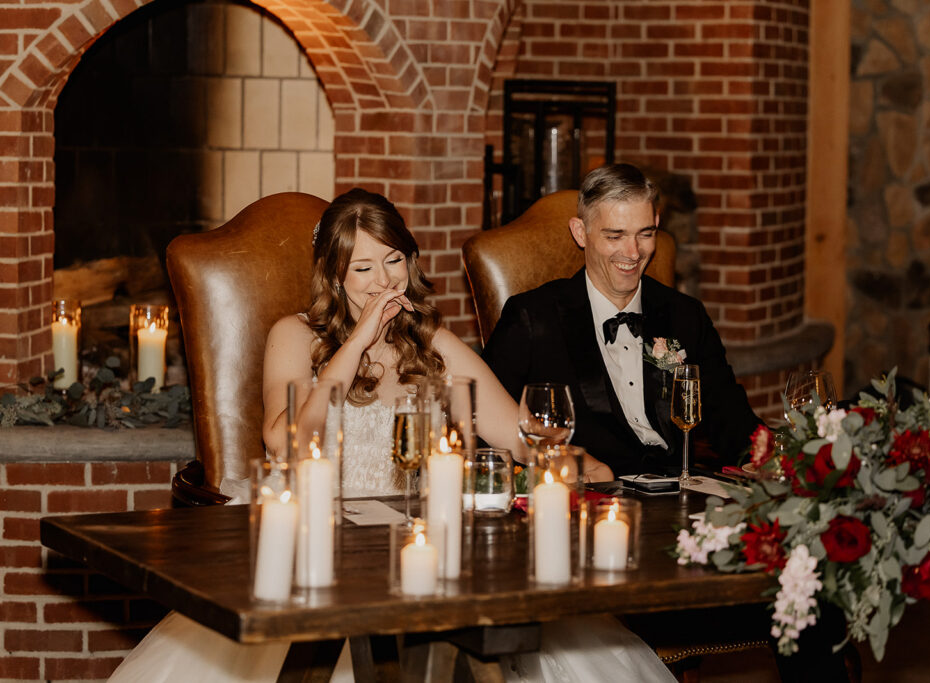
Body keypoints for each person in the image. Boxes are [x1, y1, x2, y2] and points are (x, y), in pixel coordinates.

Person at [109, 188, 673, 683]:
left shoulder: (436, 346)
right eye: (362, 269)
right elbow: (284, 443)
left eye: (394, 260)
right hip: (317, 551)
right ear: (334, 275)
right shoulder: (293, 336)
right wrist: (355, 345)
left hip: (419, 554)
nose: (383, 281)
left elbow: (523, 438)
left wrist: (584, 463)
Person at [483, 163, 761, 477]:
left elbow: (731, 418)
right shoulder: (532, 318)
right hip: (591, 497)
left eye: (645, 234)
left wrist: (787, 458)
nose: (632, 252)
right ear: (580, 232)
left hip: (681, 492)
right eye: (615, 236)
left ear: (657, 224)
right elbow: (488, 429)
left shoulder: (685, 314)